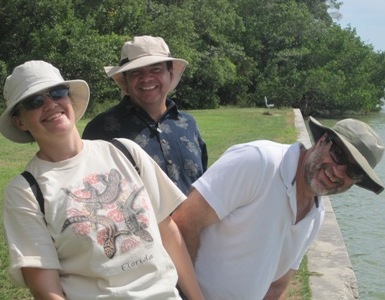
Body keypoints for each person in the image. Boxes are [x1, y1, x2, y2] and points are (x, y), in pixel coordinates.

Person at [0, 60, 203, 300]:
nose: (51, 104)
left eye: (57, 92)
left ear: (69, 98)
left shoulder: (124, 151)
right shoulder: (25, 191)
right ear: (19, 121)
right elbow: (47, 289)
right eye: (34, 101)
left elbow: (167, 231)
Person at [172, 116, 384, 299]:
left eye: (353, 172)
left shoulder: (315, 215)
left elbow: (276, 287)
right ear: (322, 141)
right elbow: (182, 223)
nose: (338, 172)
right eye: (338, 154)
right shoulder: (259, 162)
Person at [82, 35, 208, 195]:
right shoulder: (100, 130)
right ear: (125, 81)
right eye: (136, 72)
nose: (146, 78)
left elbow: (204, 186)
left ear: (170, 75)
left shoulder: (188, 124)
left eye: (156, 69)